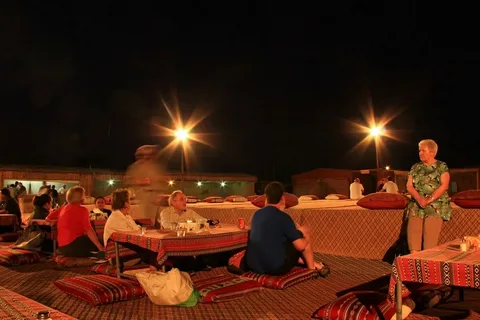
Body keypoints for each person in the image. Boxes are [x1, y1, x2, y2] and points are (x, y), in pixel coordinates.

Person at [246, 182, 329, 276]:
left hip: (254, 265)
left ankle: (314, 264)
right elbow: (300, 246)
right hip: (275, 267)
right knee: (303, 234)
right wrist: (306, 234)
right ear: (282, 198)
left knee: (282, 240)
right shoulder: (283, 217)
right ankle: (312, 269)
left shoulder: (256, 214)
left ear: (266, 197)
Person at [406, 139, 450, 252]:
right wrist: (419, 199)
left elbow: (444, 185)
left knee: (430, 237)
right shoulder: (415, 167)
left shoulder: (441, 166)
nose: (420, 153)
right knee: (413, 234)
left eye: (423, 150)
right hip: (416, 204)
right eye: (419, 150)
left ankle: (427, 264)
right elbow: (409, 186)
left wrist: (429, 199)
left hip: (435, 205)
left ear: (432, 152)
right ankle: (414, 261)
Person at [104, 189, 162, 271]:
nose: (130, 202)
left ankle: (157, 270)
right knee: (154, 249)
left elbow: (136, 229)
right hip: (119, 255)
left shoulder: (125, 216)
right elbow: (132, 235)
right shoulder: (116, 218)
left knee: (156, 247)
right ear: (124, 203)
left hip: (127, 248)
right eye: (129, 200)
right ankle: (154, 272)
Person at [46, 187, 105, 257]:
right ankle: (99, 255)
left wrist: (58, 221)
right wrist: (100, 247)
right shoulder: (83, 210)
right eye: (84, 194)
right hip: (74, 245)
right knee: (101, 241)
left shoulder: (63, 207)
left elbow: (48, 218)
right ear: (81, 197)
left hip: (62, 247)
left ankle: (93, 255)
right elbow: (89, 230)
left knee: (90, 242)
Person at [126, 145, 168, 222]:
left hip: (158, 197)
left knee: (161, 220)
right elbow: (129, 180)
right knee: (147, 220)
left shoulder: (156, 167)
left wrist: (161, 194)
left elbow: (161, 181)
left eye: (151, 154)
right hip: (145, 197)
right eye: (146, 154)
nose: (148, 156)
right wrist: (141, 181)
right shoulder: (136, 167)